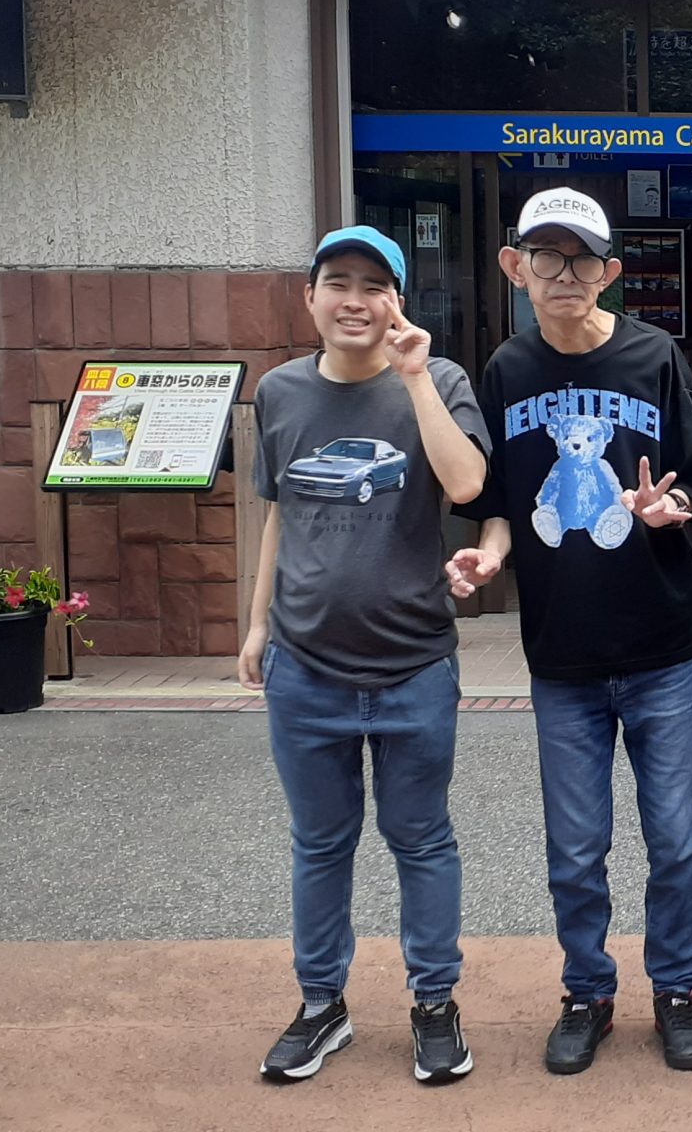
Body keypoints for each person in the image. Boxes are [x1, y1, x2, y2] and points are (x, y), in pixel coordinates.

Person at [445, 187, 692, 1075]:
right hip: (560, 654)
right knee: (574, 848)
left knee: (674, 840)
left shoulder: (654, 356)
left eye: (583, 259)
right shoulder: (506, 370)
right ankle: (588, 992)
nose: (566, 275)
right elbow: (495, 502)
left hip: (662, 646)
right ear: (515, 266)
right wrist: (489, 555)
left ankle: (676, 989)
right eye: (547, 257)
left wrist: (669, 509)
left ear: (610, 271)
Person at [238, 224, 491, 1087]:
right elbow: (279, 514)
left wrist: (414, 375)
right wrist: (257, 626)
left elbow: (466, 484)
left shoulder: (439, 380)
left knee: (421, 839)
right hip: (304, 666)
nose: (355, 300)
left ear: (397, 302)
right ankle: (321, 1004)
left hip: (414, 662)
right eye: (338, 282)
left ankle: (434, 1004)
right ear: (309, 297)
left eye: (374, 285)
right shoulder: (280, 392)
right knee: (319, 843)